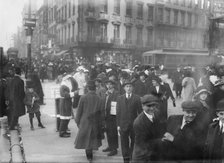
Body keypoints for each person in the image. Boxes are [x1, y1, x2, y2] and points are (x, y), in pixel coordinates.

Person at [75, 80, 103, 162]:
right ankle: (91, 154)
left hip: (85, 121)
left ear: (87, 88)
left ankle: (89, 156)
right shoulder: (99, 98)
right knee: (92, 138)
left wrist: (77, 121)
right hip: (95, 121)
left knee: (86, 139)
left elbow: (79, 110)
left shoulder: (83, 97)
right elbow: (101, 112)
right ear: (95, 88)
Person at [132, 94, 165, 163]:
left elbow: (161, 128)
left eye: (154, 105)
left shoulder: (157, 113)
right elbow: (143, 143)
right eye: (149, 106)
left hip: (154, 151)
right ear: (142, 106)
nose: (152, 108)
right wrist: (162, 140)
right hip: (142, 155)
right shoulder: (138, 123)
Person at [116, 80, 142, 163]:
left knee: (134, 141)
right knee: (124, 142)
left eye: (130, 86)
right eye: (127, 86)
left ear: (133, 88)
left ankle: (132, 155)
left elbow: (140, 112)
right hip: (123, 124)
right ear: (124, 88)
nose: (128, 88)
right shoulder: (119, 98)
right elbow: (118, 112)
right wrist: (118, 125)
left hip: (134, 124)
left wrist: (139, 124)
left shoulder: (137, 98)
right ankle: (126, 158)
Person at [102, 80, 119, 156]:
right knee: (108, 131)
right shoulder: (106, 93)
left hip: (113, 115)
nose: (109, 86)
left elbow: (117, 104)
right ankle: (110, 146)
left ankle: (114, 149)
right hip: (106, 115)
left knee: (113, 132)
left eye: (110, 84)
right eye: (107, 84)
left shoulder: (116, 93)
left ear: (113, 85)